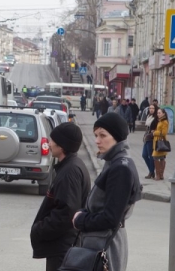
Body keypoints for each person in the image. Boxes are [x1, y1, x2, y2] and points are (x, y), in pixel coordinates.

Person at [72, 112, 142, 271]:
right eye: (96, 135)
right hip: (101, 242)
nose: (97, 140)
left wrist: (81, 220)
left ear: (116, 137)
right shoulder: (114, 161)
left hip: (106, 245)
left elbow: (111, 218)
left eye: (103, 135)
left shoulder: (120, 168)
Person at [30, 123, 91, 271]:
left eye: (52, 140)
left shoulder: (70, 172)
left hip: (63, 248)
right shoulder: (70, 166)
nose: (48, 144)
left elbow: (66, 213)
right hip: (64, 245)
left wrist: (39, 229)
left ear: (62, 146)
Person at [152, 108, 169, 181]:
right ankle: (160, 175)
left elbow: (164, 132)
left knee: (156, 157)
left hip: (160, 142)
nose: (158, 114)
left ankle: (159, 174)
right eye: (158, 113)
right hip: (157, 141)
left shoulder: (164, 122)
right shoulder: (160, 121)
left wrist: (154, 133)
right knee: (161, 158)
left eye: (159, 113)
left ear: (163, 114)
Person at [142, 105, 158, 179]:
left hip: (152, 138)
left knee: (151, 155)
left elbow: (157, 128)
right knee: (144, 155)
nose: (151, 110)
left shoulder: (156, 118)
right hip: (147, 137)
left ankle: (151, 172)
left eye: (153, 108)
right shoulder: (149, 116)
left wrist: (154, 131)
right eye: (150, 108)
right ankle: (151, 171)